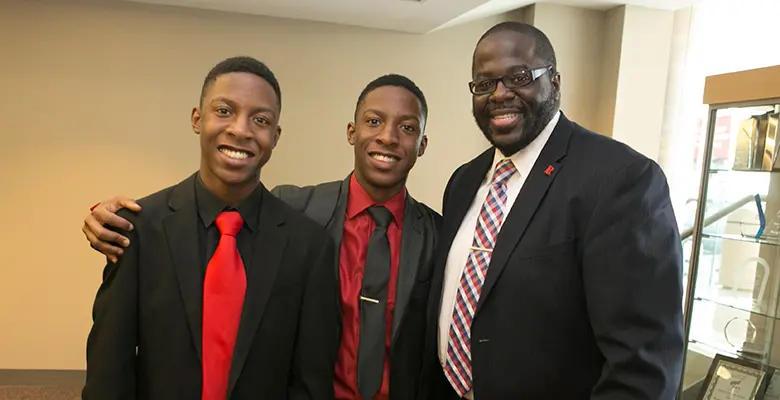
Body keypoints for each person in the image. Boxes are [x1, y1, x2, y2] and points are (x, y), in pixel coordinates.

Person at [80, 74, 440, 400]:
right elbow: (110, 366)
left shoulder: (436, 235)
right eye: (224, 110)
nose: (388, 137)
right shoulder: (298, 210)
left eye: (407, 128)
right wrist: (105, 214)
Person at [421, 22, 685, 399]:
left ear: (555, 83)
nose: (499, 94)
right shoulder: (463, 182)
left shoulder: (620, 180)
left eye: (519, 77)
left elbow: (644, 365)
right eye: (484, 84)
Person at [81, 56, 340, 400]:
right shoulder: (139, 229)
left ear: (275, 136)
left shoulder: (309, 246)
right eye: (224, 111)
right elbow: (109, 372)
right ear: (196, 119)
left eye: (260, 120)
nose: (241, 129)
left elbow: (311, 383)